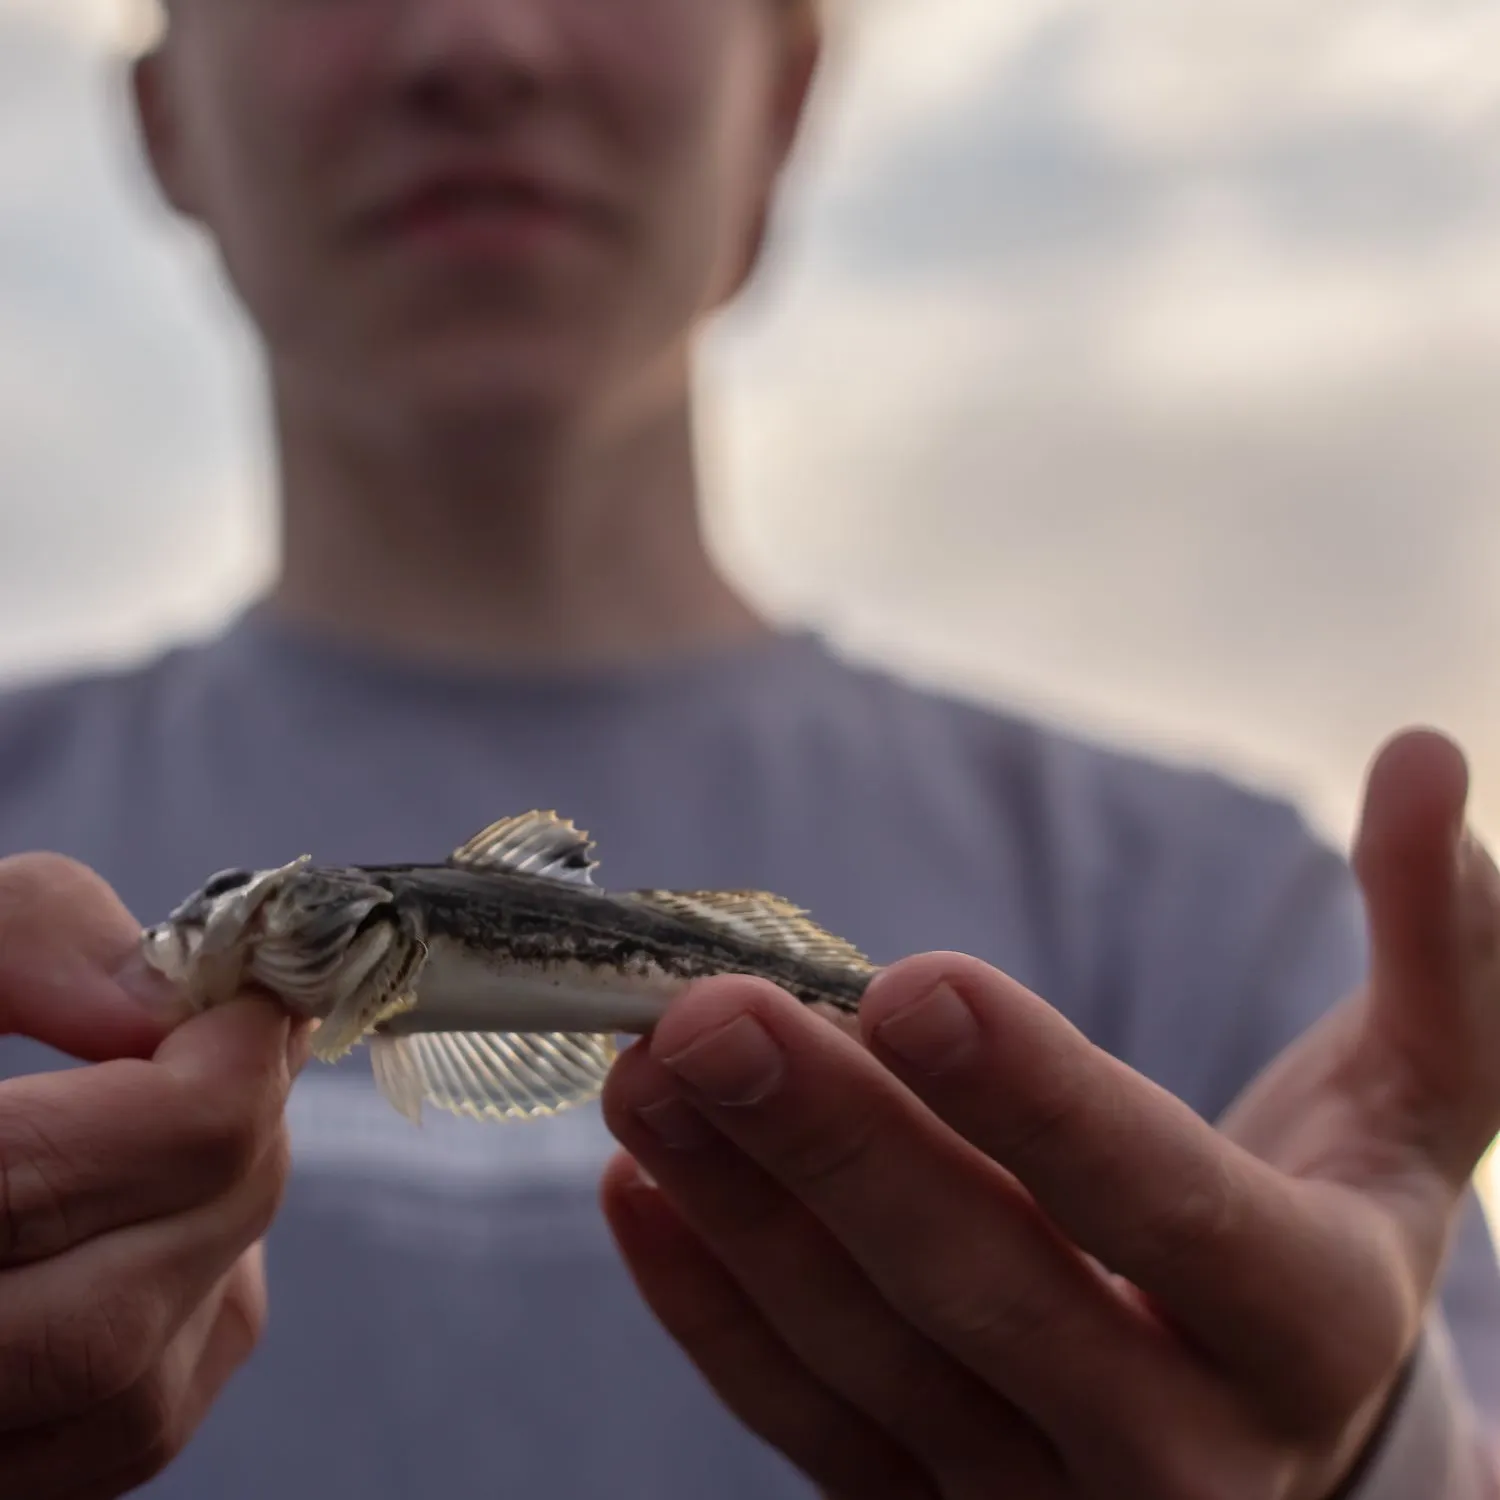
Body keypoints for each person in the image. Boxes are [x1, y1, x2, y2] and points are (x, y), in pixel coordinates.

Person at [0, 0, 1496, 1495]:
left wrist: (1375, 1459)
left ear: (781, 103)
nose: (479, 43)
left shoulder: (1221, 921)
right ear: (162, 120)